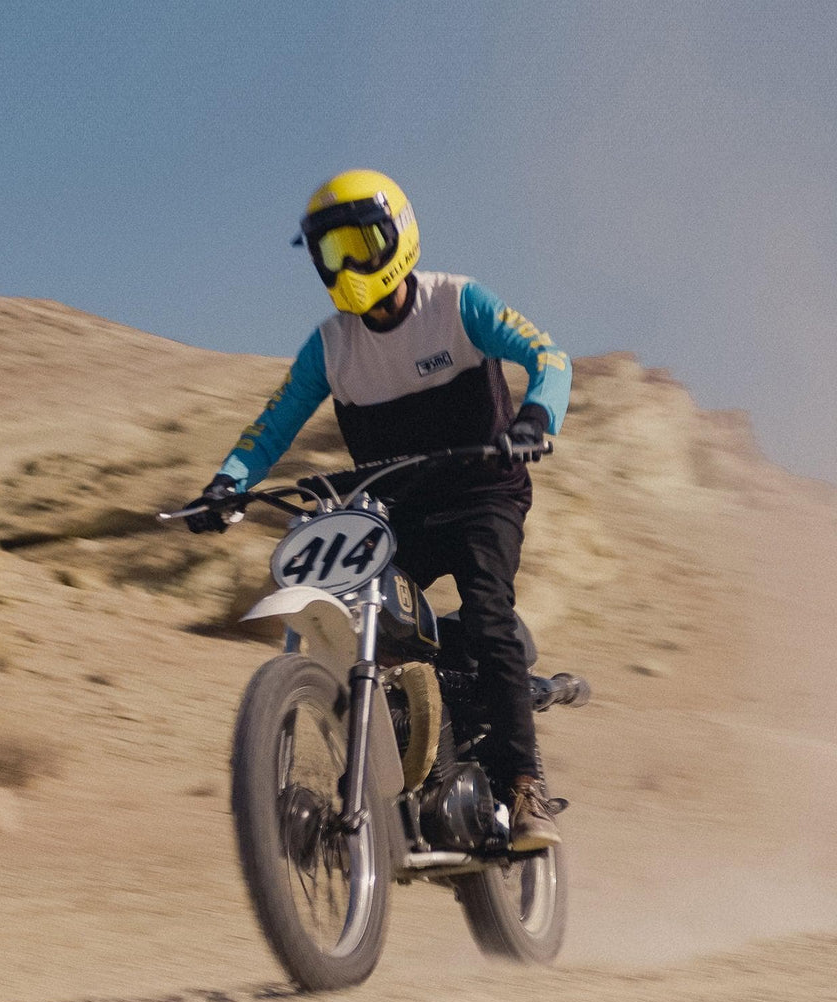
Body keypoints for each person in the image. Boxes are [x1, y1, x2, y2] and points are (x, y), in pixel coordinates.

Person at [184, 169, 572, 851]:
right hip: (394, 510)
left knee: (487, 613)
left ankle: (524, 784)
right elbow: (269, 429)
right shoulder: (331, 347)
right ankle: (396, 759)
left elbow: (548, 356)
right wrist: (227, 484)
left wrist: (536, 416)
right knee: (363, 616)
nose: (348, 265)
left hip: (482, 492)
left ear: (399, 235)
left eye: (360, 243)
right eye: (331, 253)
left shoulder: (456, 304)